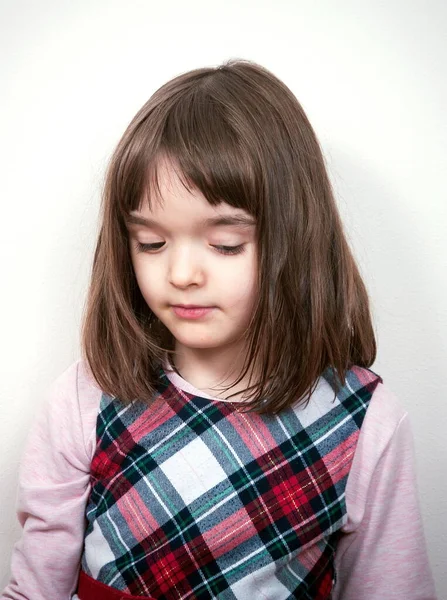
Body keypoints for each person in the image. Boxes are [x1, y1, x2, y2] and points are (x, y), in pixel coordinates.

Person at [2, 60, 437, 600]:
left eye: (225, 244)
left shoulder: (365, 423)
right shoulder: (86, 396)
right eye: (151, 243)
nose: (182, 274)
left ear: (294, 238)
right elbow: (35, 588)